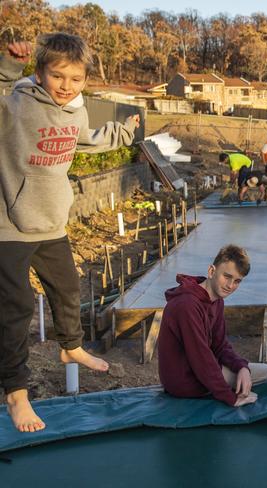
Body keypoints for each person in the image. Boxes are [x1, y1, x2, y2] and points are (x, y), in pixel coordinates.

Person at [0, 34, 140, 433]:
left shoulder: (74, 111)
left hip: (51, 223)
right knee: (16, 311)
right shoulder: (16, 105)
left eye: (75, 78)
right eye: (57, 76)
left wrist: (124, 132)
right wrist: (8, 67)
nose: (66, 86)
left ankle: (70, 347)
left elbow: (87, 141)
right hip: (9, 225)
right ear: (40, 73)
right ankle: (16, 393)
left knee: (68, 289)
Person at [158, 245, 267, 407]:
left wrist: (241, 367)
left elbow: (220, 345)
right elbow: (201, 357)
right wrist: (230, 398)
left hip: (200, 371)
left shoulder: (216, 301)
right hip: (184, 381)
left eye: (237, 281)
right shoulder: (186, 305)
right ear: (211, 271)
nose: (230, 285)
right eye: (227, 276)